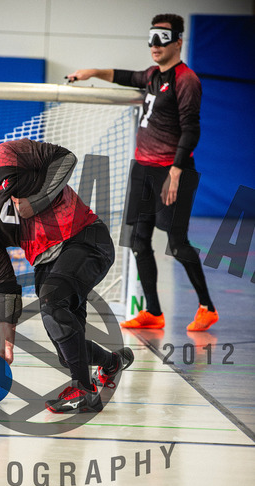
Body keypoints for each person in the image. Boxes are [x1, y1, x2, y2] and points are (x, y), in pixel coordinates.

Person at [0, 138, 134, 413]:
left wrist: (37, 202)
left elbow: (65, 158)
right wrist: (6, 341)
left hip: (85, 237)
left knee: (52, 304)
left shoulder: (3, 157)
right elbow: (4, 286)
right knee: (67, 351)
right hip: (47, 261)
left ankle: (84, 391)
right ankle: (112, 363)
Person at [67, 13, 219, 332]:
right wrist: (92, 72)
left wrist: (176, 171)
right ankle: (153, 312)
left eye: (162, 38)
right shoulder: (151, 75)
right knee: (138, 240)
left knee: (176, 243)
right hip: (143, 170)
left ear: (178, 42)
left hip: (171, 171)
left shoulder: (186, 79)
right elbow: (124, 75)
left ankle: (207, 307)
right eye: (151, 38)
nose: (154, 45)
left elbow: (191, 129)